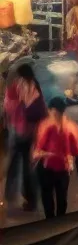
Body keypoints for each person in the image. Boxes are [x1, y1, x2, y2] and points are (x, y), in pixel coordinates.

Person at [32, 97, 78, 218]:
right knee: (48, 199)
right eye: (54, 113)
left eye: (58, 113)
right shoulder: (48, 128)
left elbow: (76, 151)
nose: (56, 116)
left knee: (61, 201)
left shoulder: (69, 129)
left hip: (62, 169)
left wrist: (75, 166)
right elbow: (37, 152)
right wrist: (49, 154)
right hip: (47, 169)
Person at [4, 64, 46, 211]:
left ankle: (23, 197)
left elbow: (11, 108)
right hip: (30, 131)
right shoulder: (34, 84)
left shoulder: (21, 86)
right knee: (25, 164)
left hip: (22, 132)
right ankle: (25, 196)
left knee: (20, 165)